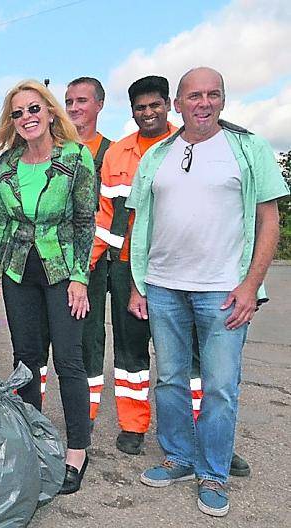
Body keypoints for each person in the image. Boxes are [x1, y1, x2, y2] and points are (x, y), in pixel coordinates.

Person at [127, 67, 288, 517]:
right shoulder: (157, 155)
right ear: (177, 104)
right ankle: (178, 456)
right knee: (170, 379)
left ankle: (213, 472)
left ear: (223, 100)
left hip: (222, 292)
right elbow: (140, 224)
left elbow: (268, 220)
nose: (204, 103)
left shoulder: (249, 148)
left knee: (220, 387)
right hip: (162, 288)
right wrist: (139, 285)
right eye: (194, 95)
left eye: (212, 95)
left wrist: (250, 286)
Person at [0, 79, 96, 495]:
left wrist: (81, 277)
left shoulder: (76, 157)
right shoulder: (8, 162)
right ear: (11, 122)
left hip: (63, 270)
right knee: (26, 359)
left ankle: (77, 451)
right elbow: (0, 219)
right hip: (18, 271)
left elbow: (85, 222)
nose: (27, 118)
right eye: (18, 113)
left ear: (50, 112)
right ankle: (31, 438)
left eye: (34, 109)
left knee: (69, 360)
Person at [88, 75, 175, 455]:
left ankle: (200, 431)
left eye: (155, 104)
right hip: (125, 269)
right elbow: (105, 219)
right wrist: (83, 267)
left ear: (168, 105)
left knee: (185, 356)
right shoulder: (117, 153)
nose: (148, 112)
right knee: (130, 353)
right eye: (141, 107)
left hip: (177, 267)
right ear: (132, 111)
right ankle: (133, 425)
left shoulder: (185, 146)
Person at [65, 76, 114, 418]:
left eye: (81, 101)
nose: (73, 108)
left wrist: (88, 261)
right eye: (68, 102)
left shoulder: (112, 152)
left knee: (90, 337)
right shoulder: (56, 149)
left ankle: (88, 412)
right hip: (54, 259)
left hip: (94, 263)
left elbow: (113, 211)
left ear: (99, 104)